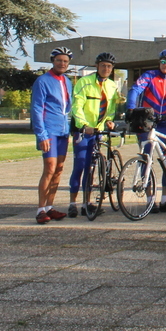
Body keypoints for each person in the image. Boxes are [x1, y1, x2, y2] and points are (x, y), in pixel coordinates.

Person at [125, 48, 166, 212]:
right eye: (163, 62)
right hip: (147, 122)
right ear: (159, 63)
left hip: (164, 124)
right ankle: (149, 200)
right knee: (146, 159)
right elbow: (135, 90)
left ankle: (165, 200)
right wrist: (131, 108)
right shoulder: (149, 76)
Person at [66, 52, 121, 218]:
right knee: (80, 166)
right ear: (97, 66)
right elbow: (77, 106)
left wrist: (109, 121)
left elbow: (110, 109)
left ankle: (86, 203)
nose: (106, 69)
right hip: (83, 131)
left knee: (91, 168)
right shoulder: (84, 82)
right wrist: (84, 125)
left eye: (109, 66)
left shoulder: (112, 86)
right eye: (103, 65)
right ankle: (72, 203)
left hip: (98, 131)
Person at [31, 47, 74, 224]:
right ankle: (41, 209)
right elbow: (36, 108)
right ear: (53, 61)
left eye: (65, 61)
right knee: (49, 168)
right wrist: (41, 135)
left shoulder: (67, 81)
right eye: (59, 60)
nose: (62, 64)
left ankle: (50, 206)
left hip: (63, 131)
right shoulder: (42, 81)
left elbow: (68, 107)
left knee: (59, 169)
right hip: (49, 131)